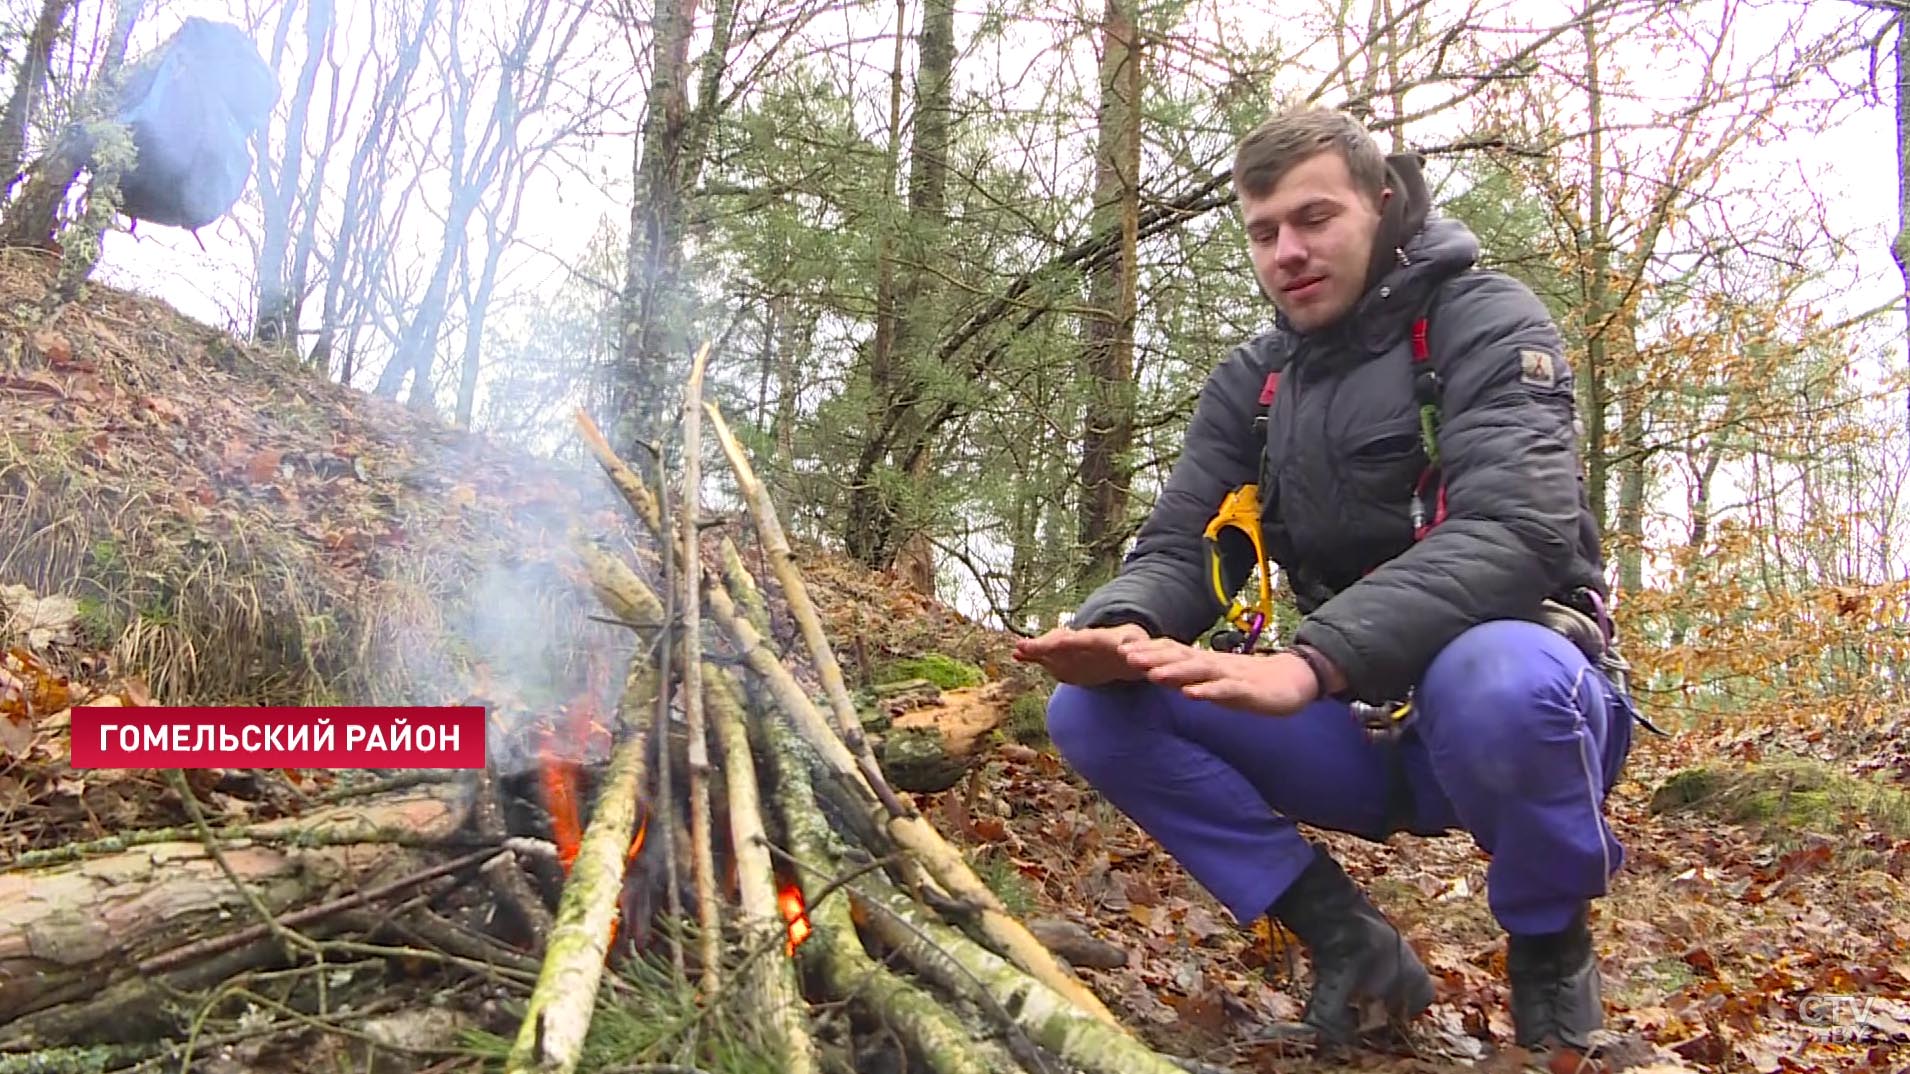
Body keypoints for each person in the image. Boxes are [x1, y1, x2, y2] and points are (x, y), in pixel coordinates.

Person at [1013, 106, 1638, 1060]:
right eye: (1264, 233)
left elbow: (1520, 528)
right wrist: (1124, 627)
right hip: (1361, 726)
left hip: (1511, 708)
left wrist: (1314, 658)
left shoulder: (1486, 319)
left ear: (1382, 204)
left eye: (1315, 219)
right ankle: (1351, 944)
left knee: (1500, 676)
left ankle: (1553, 970)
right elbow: (1190, 540)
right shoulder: (1255, 383)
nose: (1288, 252)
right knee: (1091, 712)